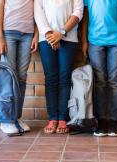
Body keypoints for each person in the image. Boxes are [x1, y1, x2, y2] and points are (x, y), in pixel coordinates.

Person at [82, 0, 117, 137]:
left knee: (115, 82)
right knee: (99, 82)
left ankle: (113, 120)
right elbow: (85, 16)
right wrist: (84, 41)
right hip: (95, 41)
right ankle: (101, 119)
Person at [34, 0, 83, 134]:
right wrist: (50, 35)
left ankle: (63, 118)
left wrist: (61, 32)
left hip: (69, 38)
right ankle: (53, 118)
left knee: (65, 79)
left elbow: (78, 12)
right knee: (51, 79)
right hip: (46, 39)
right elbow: (38, 13)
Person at [0, 0, 38, 134]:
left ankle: (17, 117)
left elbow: (37, 9)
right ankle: (6, 119)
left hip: (28, 34)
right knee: (9, 76)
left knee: (22, 77)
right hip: (8, 32)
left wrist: (36, 35)